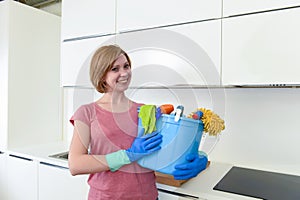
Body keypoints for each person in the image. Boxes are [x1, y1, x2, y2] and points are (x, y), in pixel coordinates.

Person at [68, 45, 208, 200]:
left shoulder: (146, 112)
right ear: (101, 75)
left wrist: (201, 159)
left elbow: (171, 146)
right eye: (115, 69)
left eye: (126, 66)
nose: (124, 73)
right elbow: (75, 164)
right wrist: (128, 155)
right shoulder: (87, 112)